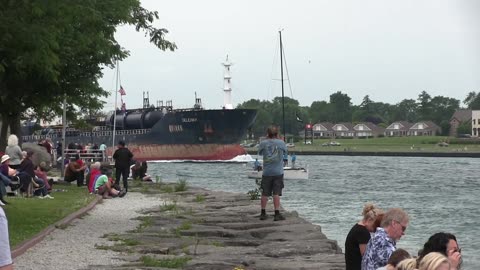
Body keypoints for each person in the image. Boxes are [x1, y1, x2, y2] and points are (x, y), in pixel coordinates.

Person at [258, 125, 288, 221]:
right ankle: (277, 213)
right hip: (278, 172)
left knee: (265, 193)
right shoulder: (281, 143)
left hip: (267, 172)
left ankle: (263, 213)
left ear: (267, 134)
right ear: (277, 134)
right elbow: (285, 154)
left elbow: (260, 153)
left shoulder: (263, 143)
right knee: (276, 193)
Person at [345, 203, 383, 270]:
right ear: (369, 220)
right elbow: (366, 257)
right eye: (376, 225)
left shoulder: (358, 227)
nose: (376, 229)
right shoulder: (362, 232)